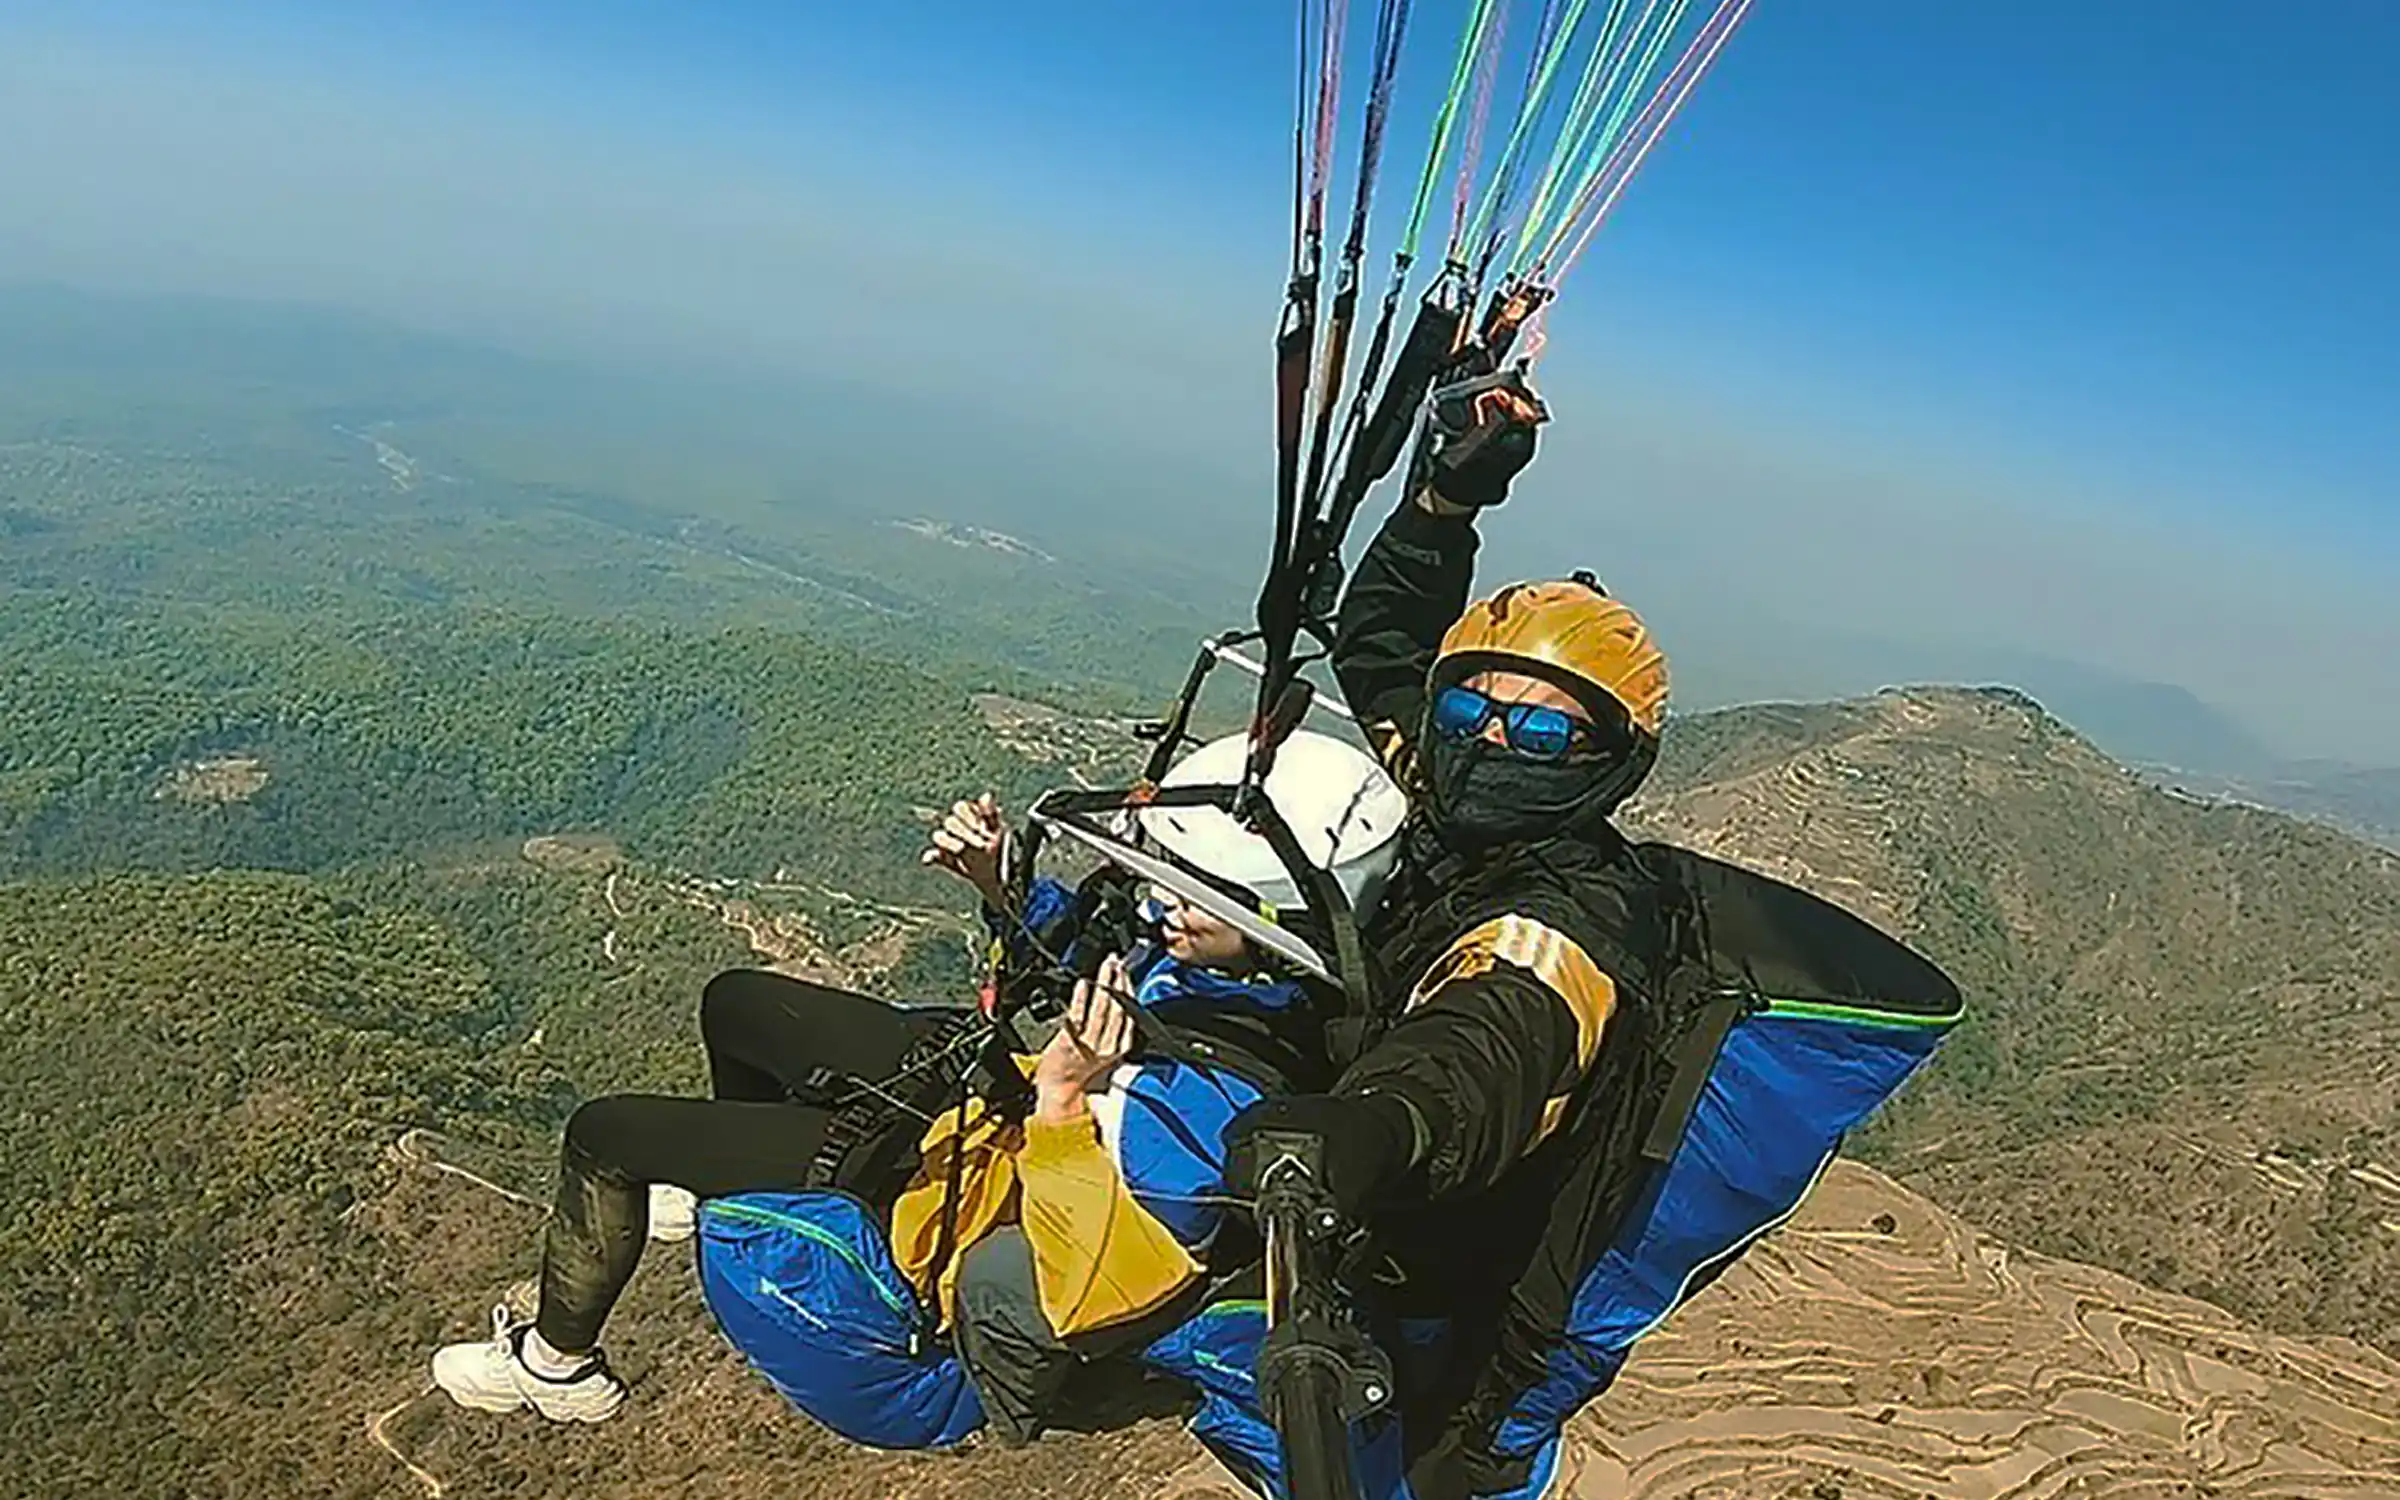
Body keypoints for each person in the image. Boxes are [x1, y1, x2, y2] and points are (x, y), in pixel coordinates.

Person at [1215, 371, 1964, 1500]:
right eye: (1468, 709)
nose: (1489, 741)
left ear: (1608, 763)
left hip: (1442, 1300)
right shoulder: (1450, 795)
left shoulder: (1569, 915)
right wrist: (1443, 504)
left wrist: (1378, 1127)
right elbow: (1381, 642)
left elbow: (1493, 1040)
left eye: (1539, 731)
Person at [429, 729, 1408, 1448]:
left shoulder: (1215, 1110)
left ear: (1275, 914)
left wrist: (1064, 1102)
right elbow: (1099, 958)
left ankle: (556, 1366)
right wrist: (1002, 885)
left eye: (1189, 896)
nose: (1159, 906)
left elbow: (1089, 1290)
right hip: (988, 1116)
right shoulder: (1240, 972)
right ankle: (725, 1167)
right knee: (738, 1004)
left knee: (606, 1138)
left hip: (955, 1202)